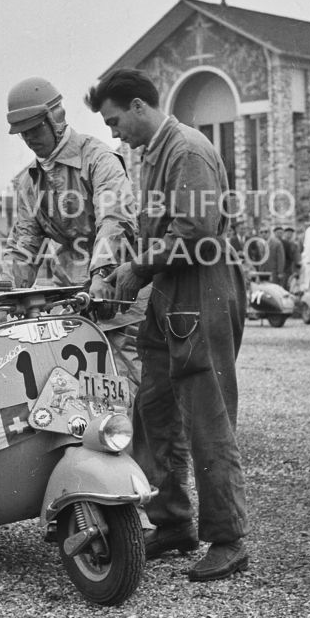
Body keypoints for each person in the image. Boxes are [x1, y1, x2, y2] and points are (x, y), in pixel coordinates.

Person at [86, 69, 249, 582]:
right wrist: (126, 268)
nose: (116, 135)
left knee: (208, 417)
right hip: (170, 294)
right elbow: (161, 231)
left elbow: (197, 236)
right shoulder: (155, 153)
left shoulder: (188, 151)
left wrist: (139, 269)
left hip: (202, 289)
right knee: (153, 405)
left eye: (116, 122)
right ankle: (173, 520)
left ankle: (228, 539)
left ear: (139, 106)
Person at [0, 77, 144, 400]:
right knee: (73, 399)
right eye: (23, 134)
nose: (29, 140)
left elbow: (114, 219)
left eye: (34, 130)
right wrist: (2, 295)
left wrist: (102, 273)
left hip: (117, 297)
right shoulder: (29, 182)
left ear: (55, 119)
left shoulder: (99, 159)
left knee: (126, 394)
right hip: (70, 305)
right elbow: (24, 244)